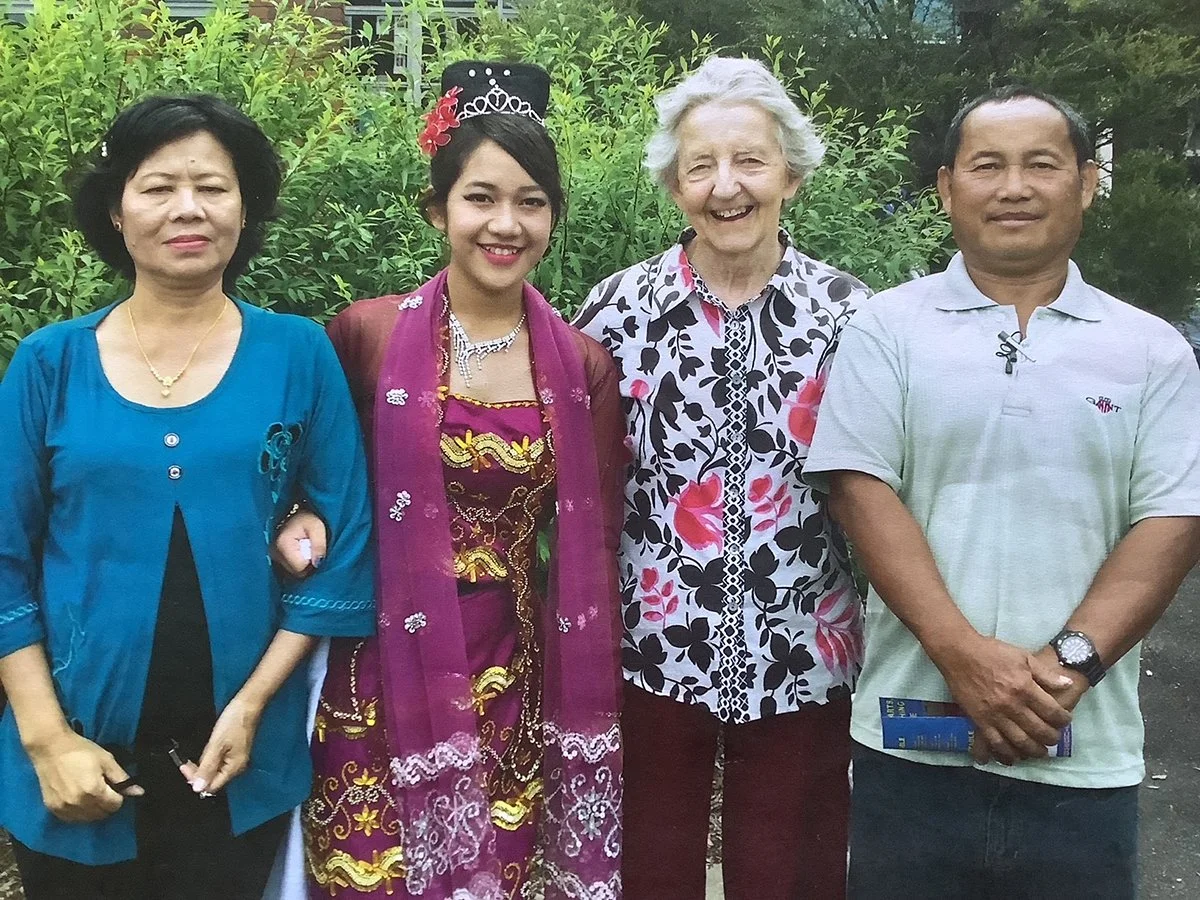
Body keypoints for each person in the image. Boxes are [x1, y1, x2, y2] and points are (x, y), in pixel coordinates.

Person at [805, 86, 1200, 898]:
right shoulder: (887, 329)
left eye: (1041, 165)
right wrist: (964, 658)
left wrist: (1067, 668)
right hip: (908, 751)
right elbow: (859, 489)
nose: (1013, 187)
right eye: (987, 166)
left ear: (1088, 183)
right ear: (948, 188)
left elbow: (1171, 520)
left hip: (1085, 755)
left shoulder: (1152, 352)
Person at [0, 95, 375, 900]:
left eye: (213, 186)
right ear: (116, 208)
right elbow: (3, 563)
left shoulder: (298, 353)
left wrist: (252, 707)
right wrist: (45, 741)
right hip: (78, 760)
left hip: (240, 760)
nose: (188, 208)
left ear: (246, 209)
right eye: (158, 186)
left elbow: (342, 552)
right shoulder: (48, 364)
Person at [269, 62, 625, 899]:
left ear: (553, 217)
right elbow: (301, 483)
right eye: (480, 197)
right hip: (374, 670)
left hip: (516, 676)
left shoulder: (582, 367)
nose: (506, 223)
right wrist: (295, 520)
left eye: (531, 201)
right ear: (438, 210)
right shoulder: (363, 336)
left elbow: (597, 537)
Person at [574, 56, 870, 900]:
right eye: (700, 166)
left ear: (792, 176)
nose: (726, 185)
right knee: (651, 868)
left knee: (792, 872)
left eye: (750, 160)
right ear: (674, 186)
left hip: (804, 646)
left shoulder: (851, 315)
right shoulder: (617, 311)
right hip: (652, 646)